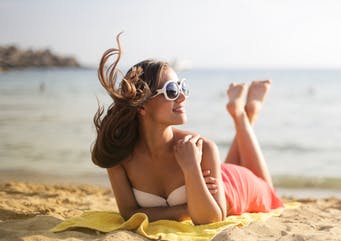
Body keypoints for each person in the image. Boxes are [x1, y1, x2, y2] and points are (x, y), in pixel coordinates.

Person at [92, 34, 283, 225]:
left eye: (182, 87)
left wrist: (191, 167)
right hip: (215, 175)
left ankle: (242, 115)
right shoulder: (118, 153)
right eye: (172, 91)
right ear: (142, 106)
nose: (182, 97)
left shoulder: (201, 148)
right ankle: (245, 112)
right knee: (231, 168)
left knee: (269, 191)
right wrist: (186, 208)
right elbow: (129, 213)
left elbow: (213, 218)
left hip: (236, 186)